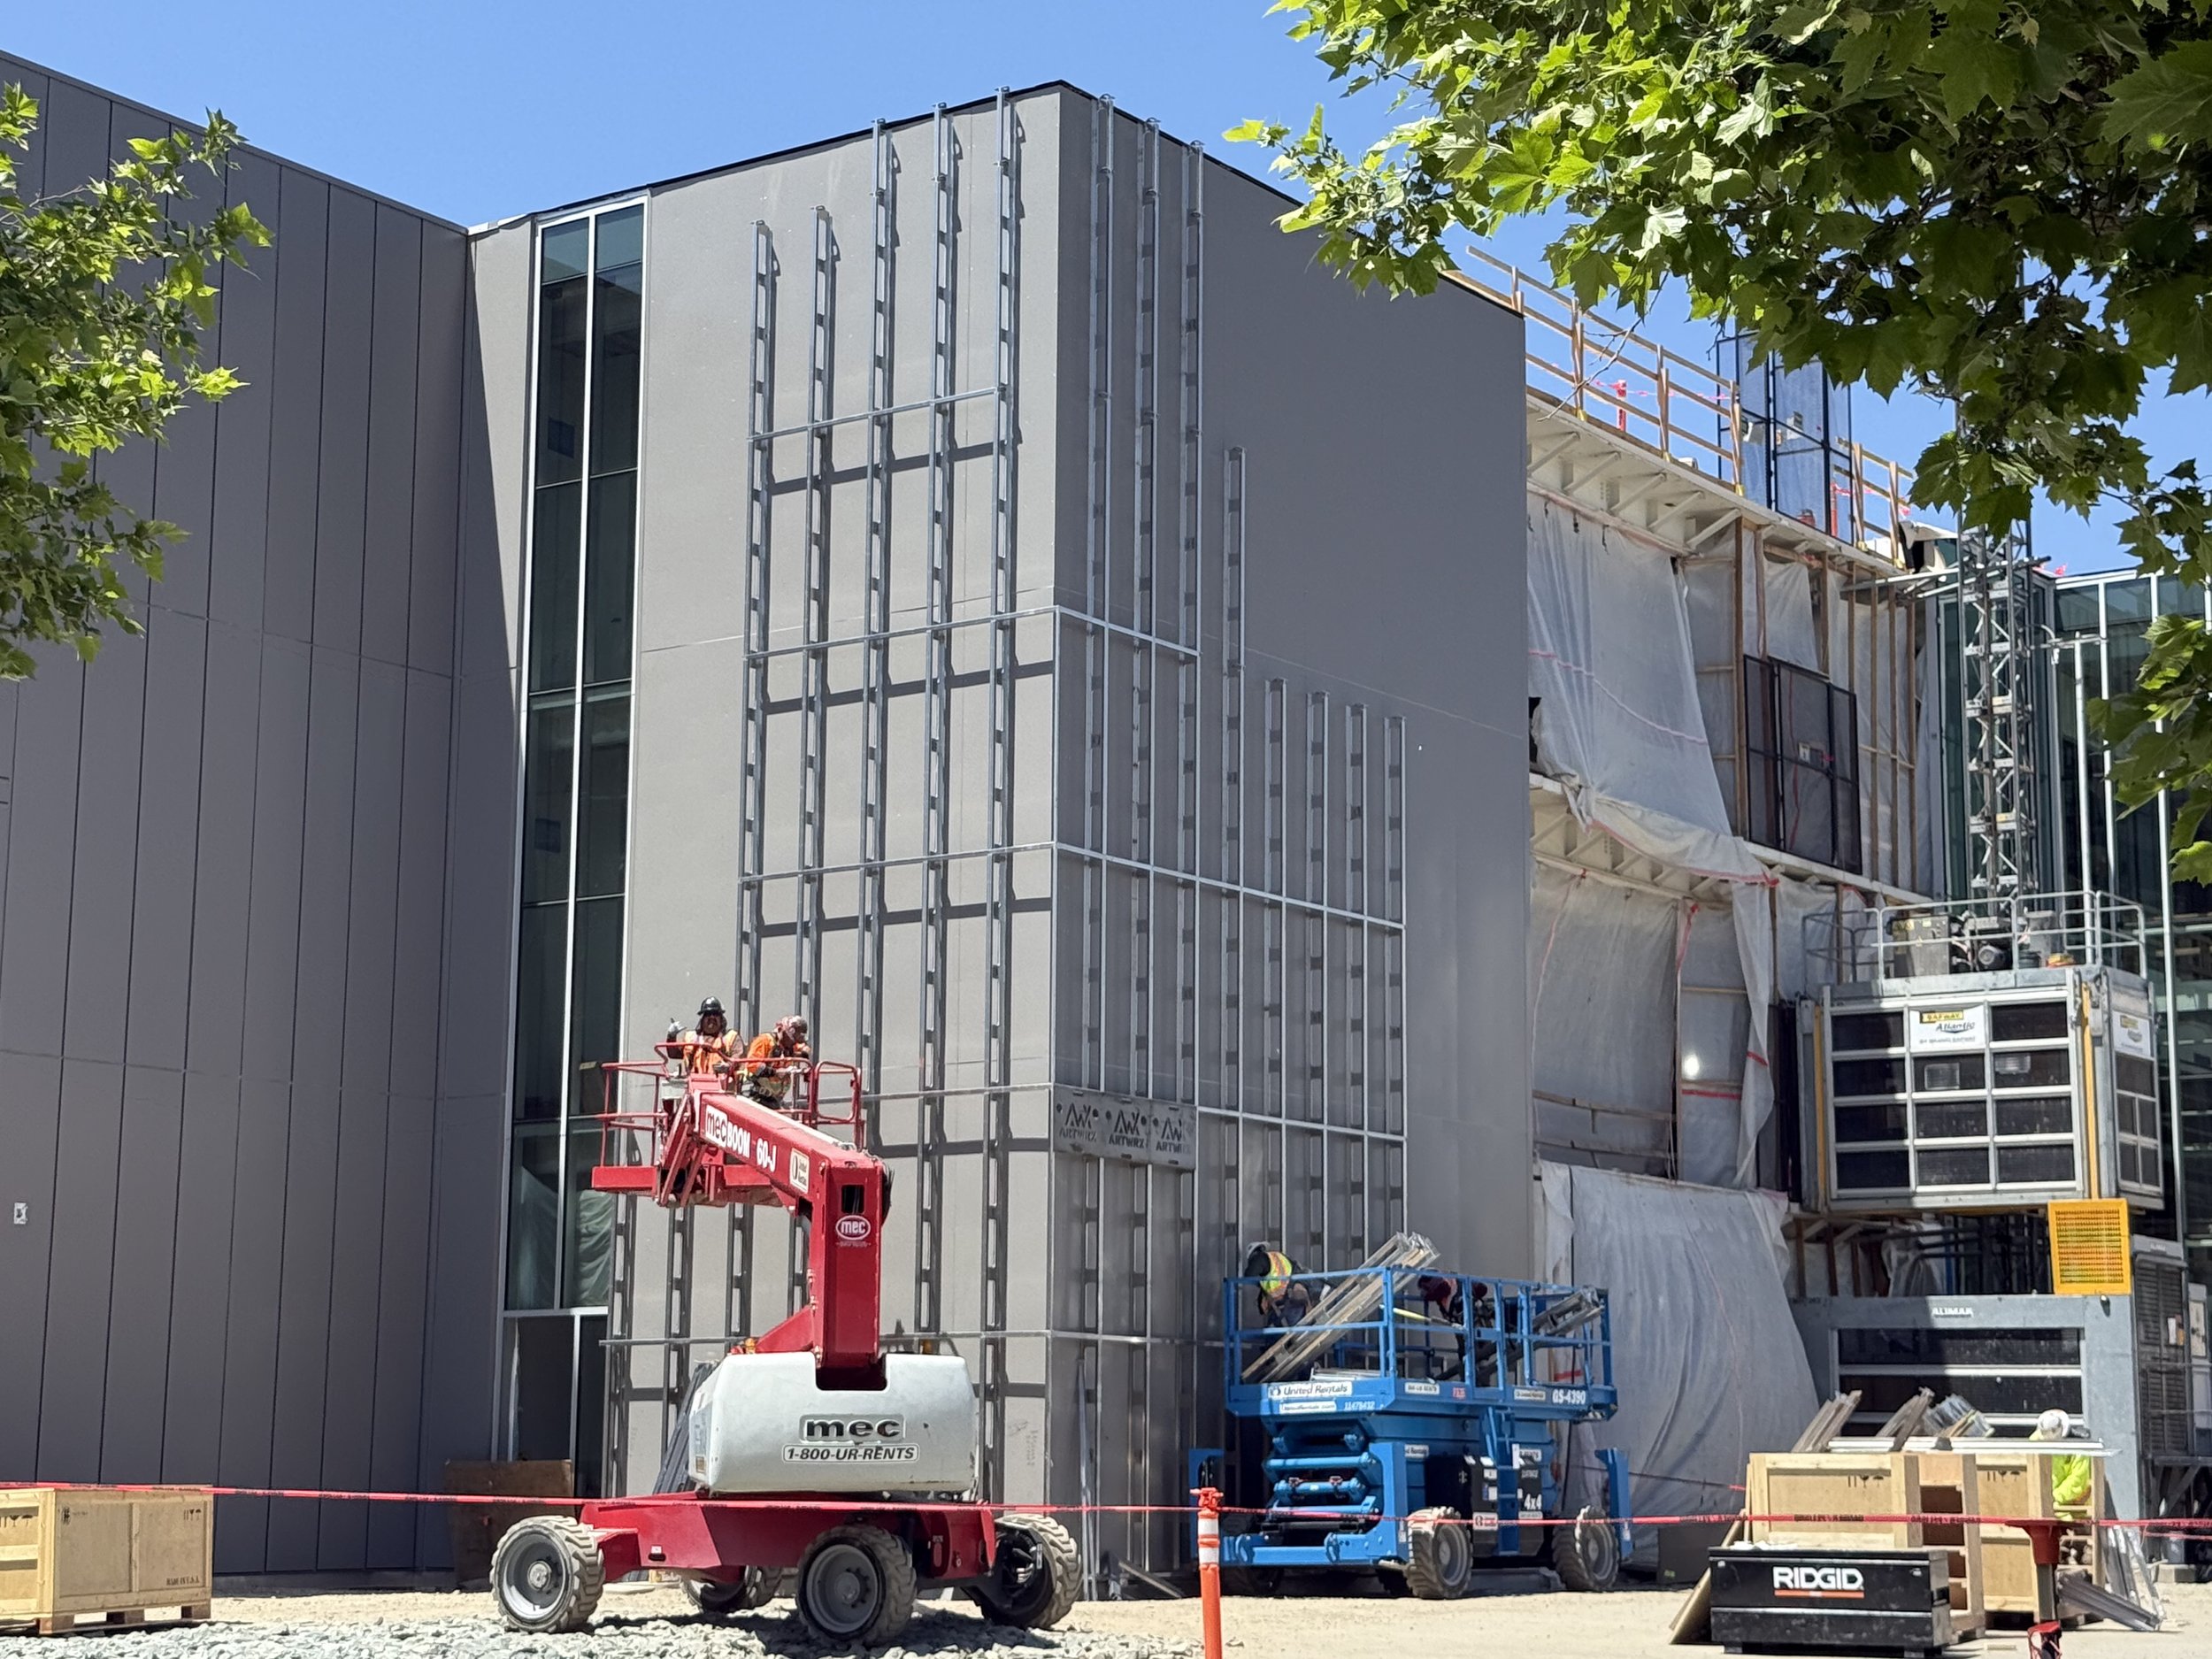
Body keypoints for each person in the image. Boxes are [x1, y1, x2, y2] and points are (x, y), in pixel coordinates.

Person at [2031, 1407, 2093, 1517]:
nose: (2049, 1436)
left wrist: (2054, 1497)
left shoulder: (2078, 1446)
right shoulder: (2035, 1442)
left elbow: (2078, 1479)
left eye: (2053, 1432)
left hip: (2069, 1509)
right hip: (2037, 1505)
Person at [739, 1014, 812, 1105]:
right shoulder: (765, 1041)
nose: (793, 1044)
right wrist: (776, 1072)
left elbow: (806, 1049)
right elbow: (752, 1066)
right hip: (755, 1096)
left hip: (773, 1099)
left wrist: (803, 1054)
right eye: (791, 1040)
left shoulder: (790, 1046)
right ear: (782, 1031)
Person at [1244, 1245, 1312, 1328]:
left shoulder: (1259, 1258)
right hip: (1296, 1297)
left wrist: (1259, 1285)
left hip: (1289, 1303)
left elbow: (1249, 1275)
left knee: (1275, 1333)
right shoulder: (1276, 1257)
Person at [673, 997, 737, 1076]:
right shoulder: (690, 1037)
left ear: (721, 1019)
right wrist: (671, 1037)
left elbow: (739, 1059)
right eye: (708, 1014)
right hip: (694, 1083)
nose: (712, 1017)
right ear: (702, 1019)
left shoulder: (731, 1037)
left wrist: (729, 1066)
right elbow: (674, 1054)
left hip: (723, 1085)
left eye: (716, 1014)